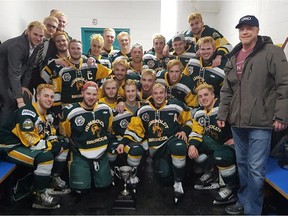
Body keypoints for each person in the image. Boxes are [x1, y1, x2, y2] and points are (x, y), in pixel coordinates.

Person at [217, 15, 288, 215]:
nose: (245, 32)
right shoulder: (234, 56)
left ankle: (252, 211)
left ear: (257, 30)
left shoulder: (271, 52)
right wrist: (223, 113)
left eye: (249, 28)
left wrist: (281, 116)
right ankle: (243, 200)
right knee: (242, 165)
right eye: (242, 29)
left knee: (256, 170)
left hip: (261, 122)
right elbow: (227, 90)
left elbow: (284, 84)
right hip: (238, 122)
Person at [121, 83, 199, 203]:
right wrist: (123, 142)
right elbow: (134, 128)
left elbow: (189, 121)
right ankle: (172, 173)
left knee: (179, 146)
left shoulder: (176, 106)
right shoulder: (143, 109)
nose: (158, 96)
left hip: (173, 140)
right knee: (164, 178)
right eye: (156, 93)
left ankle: (178, 182)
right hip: (156, 150)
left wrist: (184, 131)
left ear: (165, 94)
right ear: (151, 95)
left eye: (161, 93)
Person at [0, 84, 69, 209]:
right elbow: (32, 142)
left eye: (52, 97)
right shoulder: (27, 114)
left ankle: (54, 179)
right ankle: (39, 195)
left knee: (65, 143)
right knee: (46, 156)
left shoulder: (45, 113)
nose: (49, 99)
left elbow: (50, 133)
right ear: (37, 97)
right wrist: (52, 146)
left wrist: (58, 143)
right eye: (46, 96)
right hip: (8, 146)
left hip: (22, 144)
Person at [59, 81, 113, 197]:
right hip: (80, 153)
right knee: (80, 192)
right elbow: (65, 134)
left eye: (94, 94)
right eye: (88, 94)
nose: (91, 97)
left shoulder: (105, 109)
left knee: (104, 188)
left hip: (101, 153)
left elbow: (109, 129)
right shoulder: (70, 111)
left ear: (98, 94)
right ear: (82, 93)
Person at [188, 83, 238, 205]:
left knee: (221, 156)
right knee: (194, 146)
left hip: (231, 144)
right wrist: (192, 145)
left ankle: (231, 187)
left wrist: (236, 138)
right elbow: (196, 131)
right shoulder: (199, 113)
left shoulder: (224, 106)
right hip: (216, 143)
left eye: (206, 95)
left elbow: (240, 121)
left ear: (213, 95)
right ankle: (212, 173)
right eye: (200, 96)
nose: (203, 98)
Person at [0, 21, 45, 126]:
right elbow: (14, 72)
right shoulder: (18, 46)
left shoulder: (38, 44)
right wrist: (19, 100)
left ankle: (19, 130)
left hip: (10, 74)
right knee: (9, 101)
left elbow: (30, 66)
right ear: (28, 31)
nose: (38, 38)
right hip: (2, 74)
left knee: (26, 95)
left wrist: (24, 86)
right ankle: (3, 137)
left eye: (41, 36)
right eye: (35, 34)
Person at [108, 79, 143, 191]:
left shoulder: (144, 107)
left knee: (137, 149)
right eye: (128, 91)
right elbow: (110, 130)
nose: (131, 94)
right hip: (121, 141)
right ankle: (112, 170)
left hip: (139, 142)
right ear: (124, 93)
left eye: (133, 91)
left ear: (137, 91)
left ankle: (133, 174)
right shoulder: (117, 110)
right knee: (111, 148)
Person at [163, 12, 232, 67]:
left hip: (213, 65)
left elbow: (227, 45)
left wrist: (218, 57)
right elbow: (177, 37)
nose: (194, 26)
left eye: (197, 23)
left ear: (202, 23)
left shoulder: (212, 32)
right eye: (192, 25)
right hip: (198, 65)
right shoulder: (188, 33)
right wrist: (167, 46)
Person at [40, 31, 70, 120]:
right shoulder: (51, 60)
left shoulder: (78, 57)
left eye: (63, 40)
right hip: (58, 104)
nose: (61, 43)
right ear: (55, 44)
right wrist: (54, 63)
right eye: (58, 41)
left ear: (68, 41)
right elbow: (43, 77)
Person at [29, 16, 59, 94]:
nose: (51, 28)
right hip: (28, 71)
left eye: (54, 27)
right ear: (43, 25)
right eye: (49, 25)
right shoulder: (33, 37)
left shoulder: (55, 43)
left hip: (43, 74)